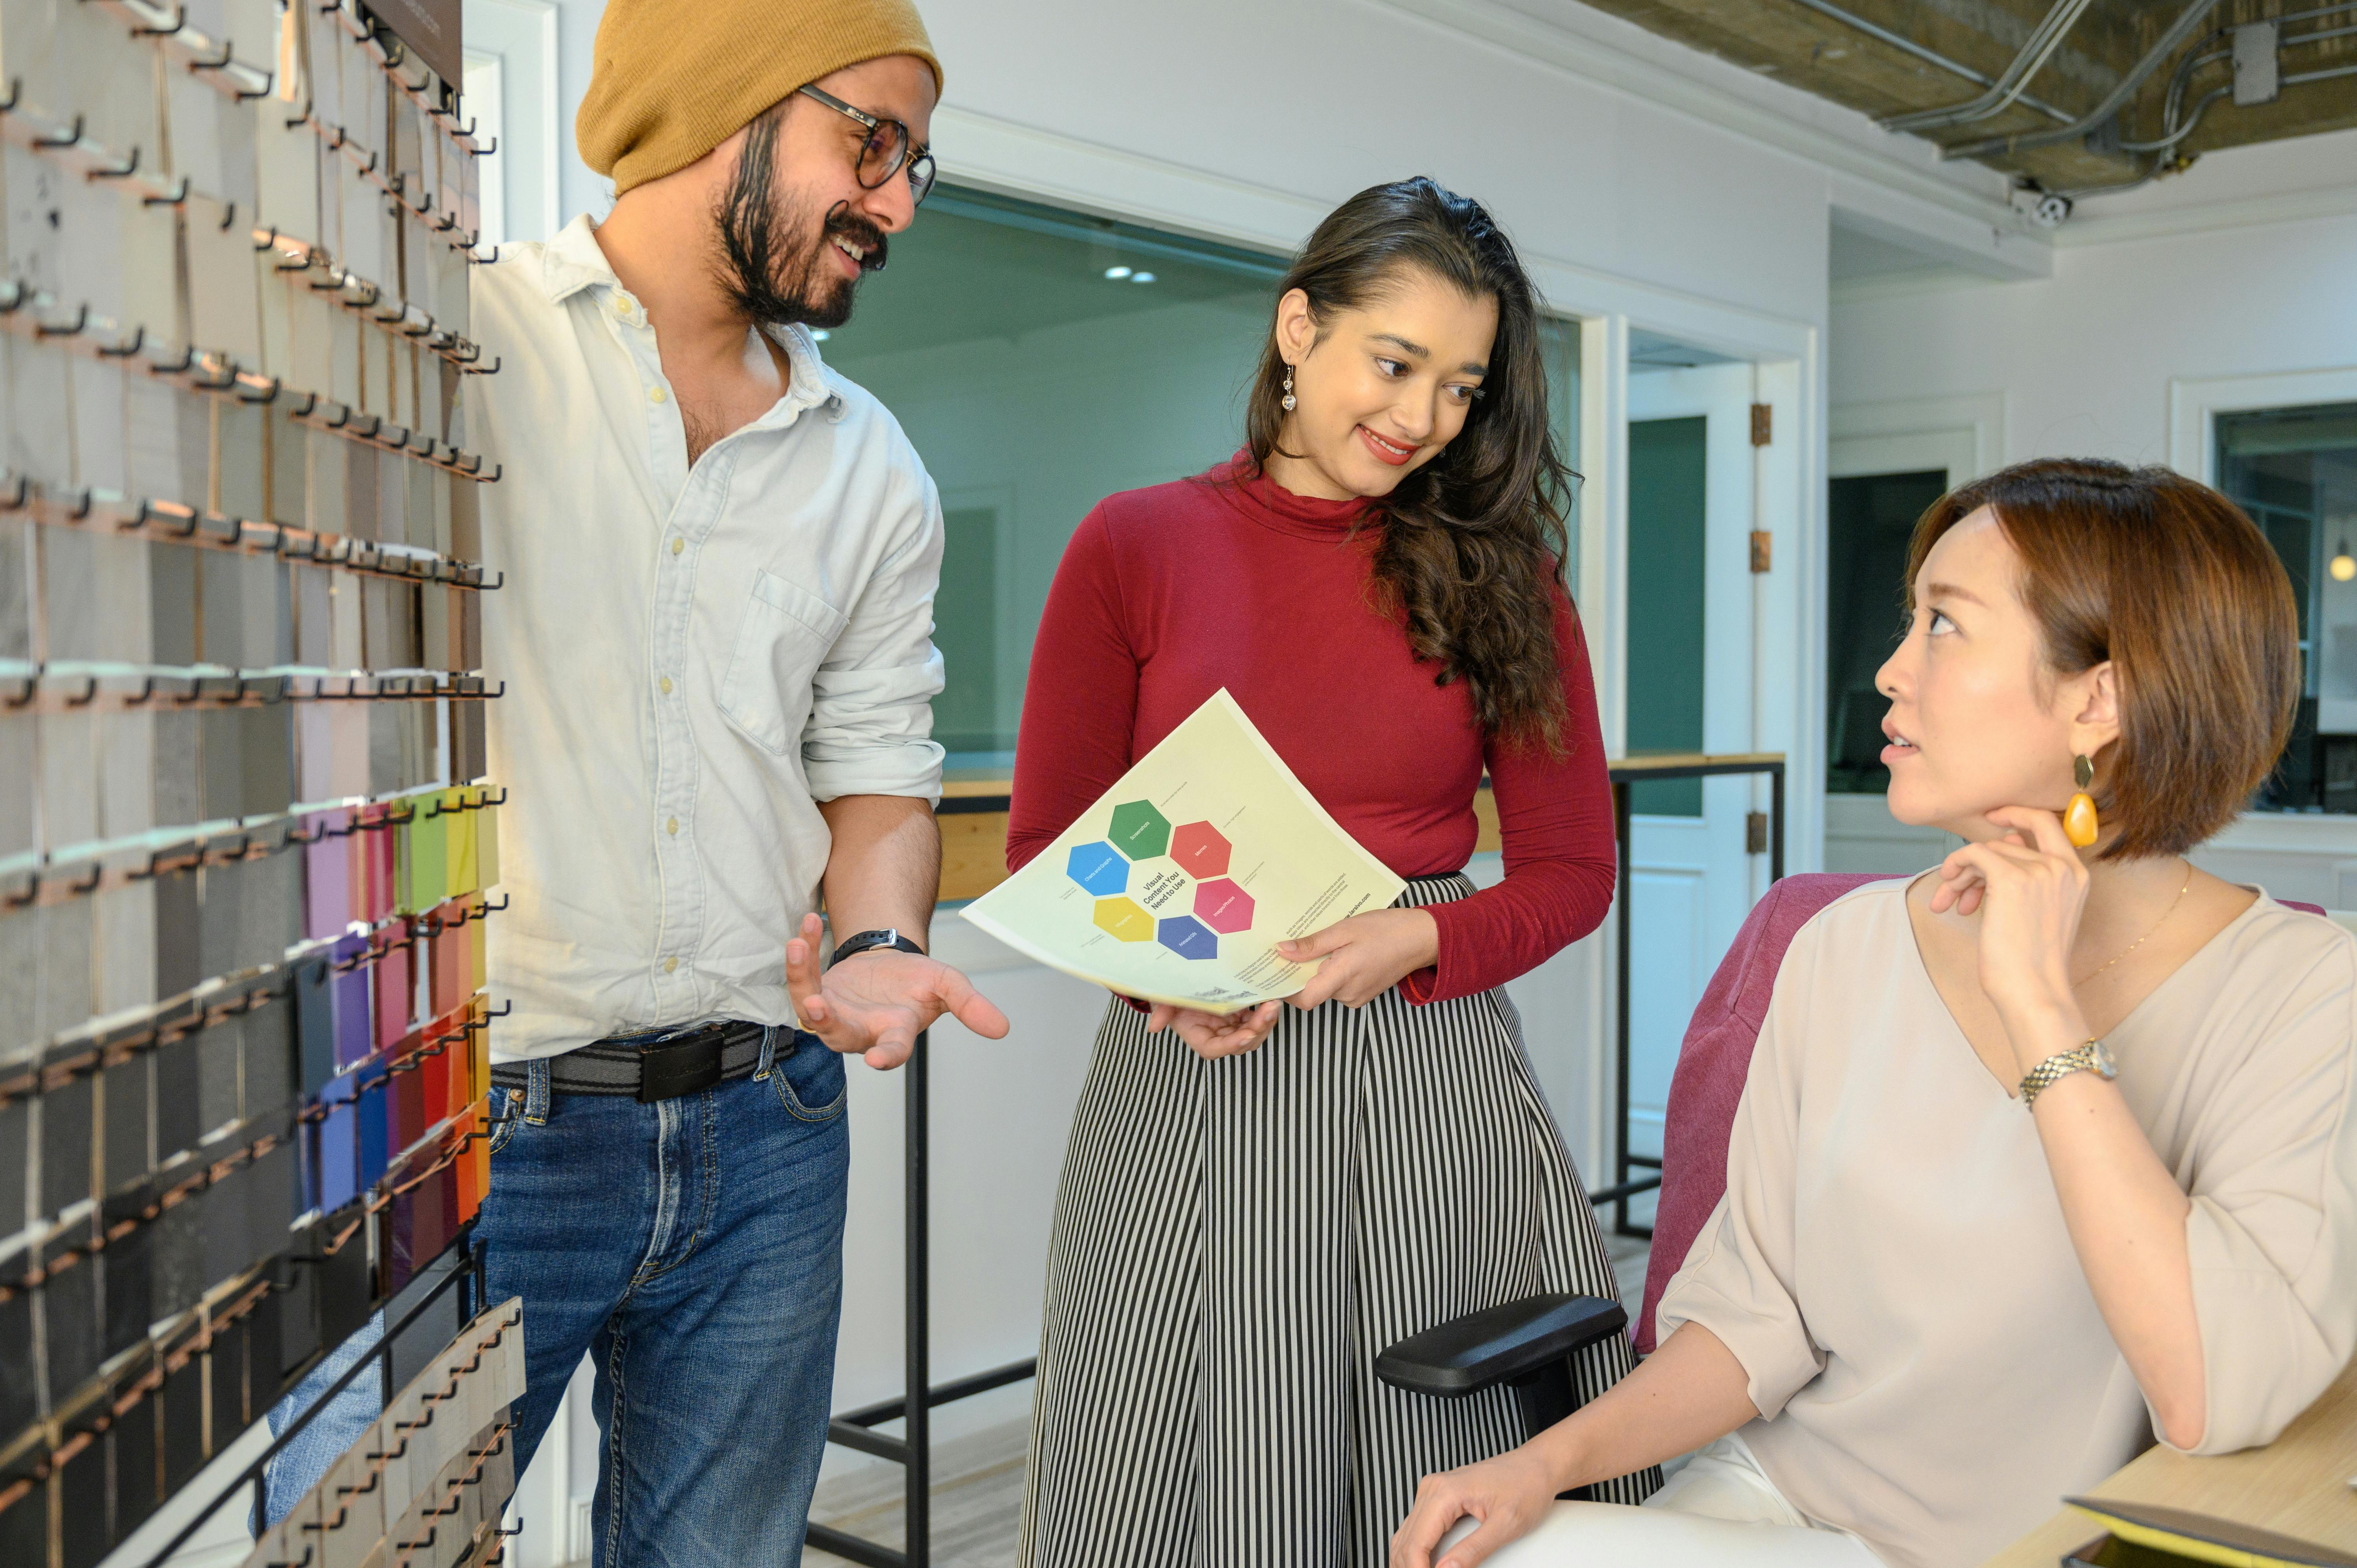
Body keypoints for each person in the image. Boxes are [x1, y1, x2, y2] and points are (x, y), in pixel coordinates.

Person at [260, 2, 1011, 1560]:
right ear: (715, 99)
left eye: (918, 167)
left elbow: (877, 768)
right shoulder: (446, 341)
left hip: (769, 1128)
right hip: (453, 1118)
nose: (896, 204)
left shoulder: (872, 466)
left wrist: (876, 940)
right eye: (869, 142)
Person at [1391, 459, 2357, 1568]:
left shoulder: (2302, 988)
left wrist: (2039, 1006)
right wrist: (1548, 1465)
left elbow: (2209, 1396)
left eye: (1945, 627)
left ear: (2099, 699)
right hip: (1772, 1507)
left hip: (2030, 1546)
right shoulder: (1841, 945)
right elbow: (1758, 1322)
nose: (1890, 671)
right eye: (1911, 619)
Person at [1008, 177, 1648, 1567]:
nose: (1421, 418)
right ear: (1298, 328)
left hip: (1425, 1079)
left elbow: (1571, 871)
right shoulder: (1136, 544)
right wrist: (1159, 993)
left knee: (1427, 1457)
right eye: (1395, 362)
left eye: (1462, 388)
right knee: (1152, 1462)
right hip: (1188, 1078)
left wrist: (1418, 942)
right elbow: (1051, 851)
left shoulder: (1508, 580)